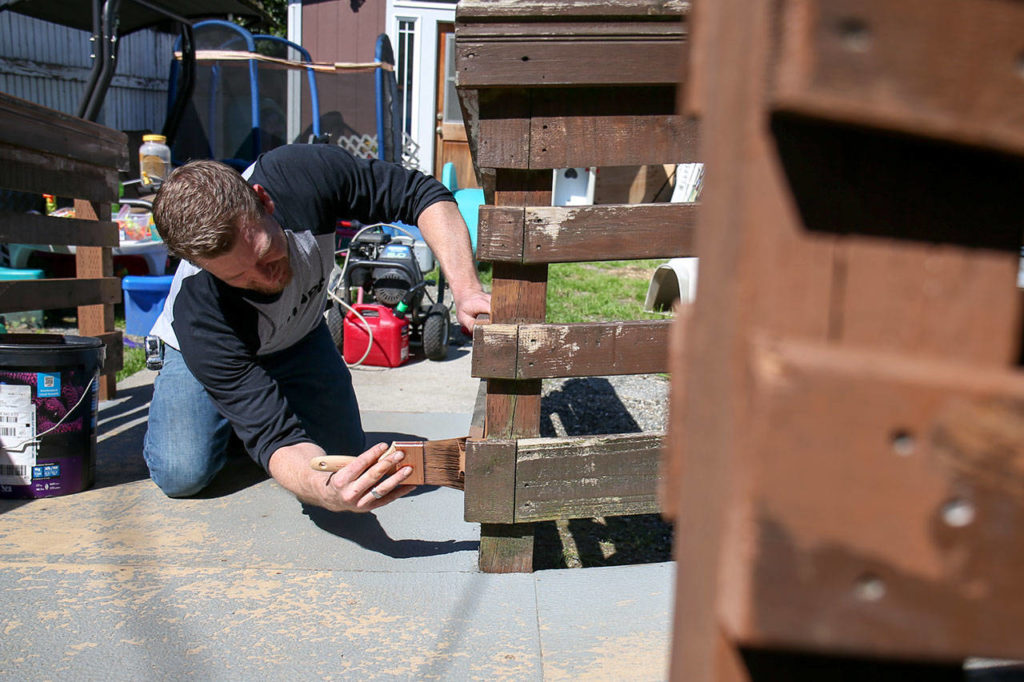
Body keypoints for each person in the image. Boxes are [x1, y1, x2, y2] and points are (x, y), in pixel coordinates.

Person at [143, 143, 490, 512]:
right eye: (238, 276)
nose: (265, 279)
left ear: (265, 201)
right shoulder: (200, 312)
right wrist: (322, 491)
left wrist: (467, 290)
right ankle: (226, 413)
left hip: (298, 335)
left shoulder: (302, 176)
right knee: (183, 474)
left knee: (346, 457)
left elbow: (422, 194)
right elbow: (274, 437)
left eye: (264, 254)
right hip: (206, 357)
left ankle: (241, 415)